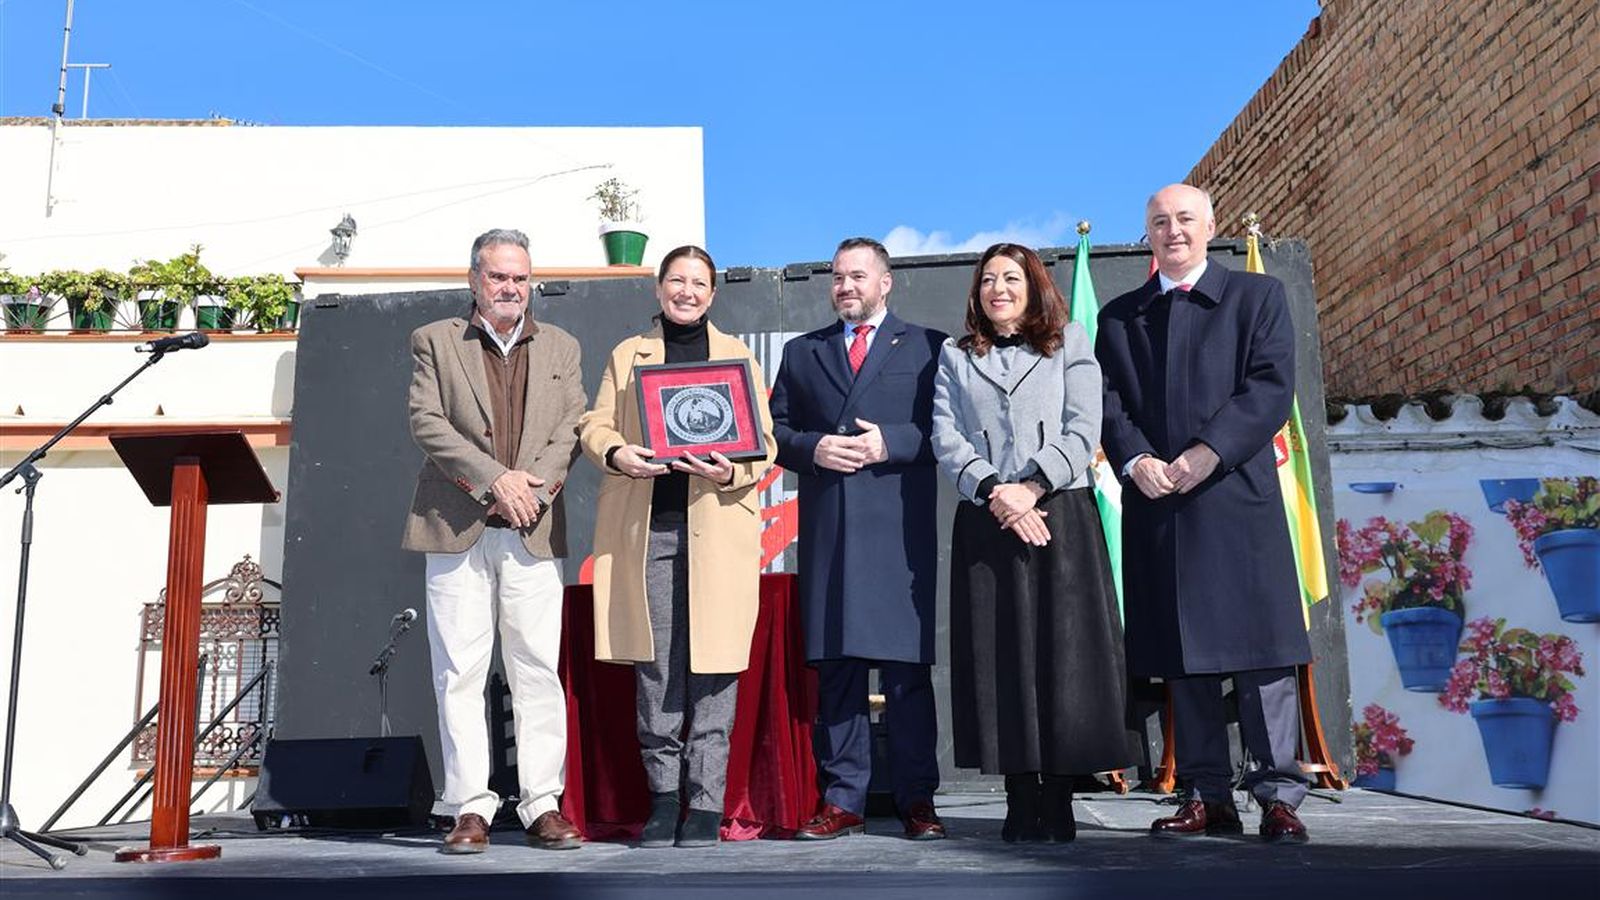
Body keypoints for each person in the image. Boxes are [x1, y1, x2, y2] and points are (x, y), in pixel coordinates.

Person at [1095, 184, 1312, 843]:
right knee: (1184, 656)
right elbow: (1106, 404)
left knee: (1262, 655)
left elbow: (1271, 388)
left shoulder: (1257, 298)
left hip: (1235, 502)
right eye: (1159, 222)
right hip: (1159, 506)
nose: (1173, 231)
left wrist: (1207, 452)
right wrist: (1137, 462)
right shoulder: (1118, 317)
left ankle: (1278, 797)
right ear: (1148, 236)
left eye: (1185, 218)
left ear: (1211, 225)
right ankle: (1206, 795)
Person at [930, 243, 1134, 843]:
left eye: (1011, 278)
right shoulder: (953, 355)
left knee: (1064, 657)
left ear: (1034, 285)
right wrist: (997, 491)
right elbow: (945, 435)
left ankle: (1061, 798)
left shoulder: (1071, 341)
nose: (999, 288)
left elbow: (1083, 427)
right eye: (988, 279)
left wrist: (1033, 486)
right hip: (986, 519)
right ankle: (1020, 797)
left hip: (1061, 517)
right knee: (1001, 659)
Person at [578, 245, 777, 849]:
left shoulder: (737, 354)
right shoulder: (626, 354)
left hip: (717, 528)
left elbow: (764, 444)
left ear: (712, 294)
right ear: (659, 288)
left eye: (698, 283)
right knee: (657, 669)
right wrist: (617, 453)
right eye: (676, 280)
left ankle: (706, 803)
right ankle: (664, 798)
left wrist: (730, 472)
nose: (686, 291)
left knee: (715, 670)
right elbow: (595, 423)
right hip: (650, 531)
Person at [401, 228, 586, 852]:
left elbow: (572, 428)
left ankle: (541, 804)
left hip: (533, 528)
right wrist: (494, 481)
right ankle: (469, 808)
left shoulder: (563, 345)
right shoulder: (434, 341)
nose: (510, 287)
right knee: (459, 671)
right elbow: (427, 421)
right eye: (498, 276)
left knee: (537, 669)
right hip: (457, 527)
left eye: (520, 277)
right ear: (474, 279)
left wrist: (537, 490)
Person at [769, 237, 949, 841]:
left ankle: (917, 798)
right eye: (838, 277)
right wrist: (812, 448)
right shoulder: (802, 353)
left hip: (898, 534)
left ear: (886, 282)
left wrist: (889, 443)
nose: (846, 286)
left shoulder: (929, 347)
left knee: (905, 678)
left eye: (858, 276)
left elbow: (947, 433)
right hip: (832, 534)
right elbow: (776, 431)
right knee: (838, 674)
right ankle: (841, 799)